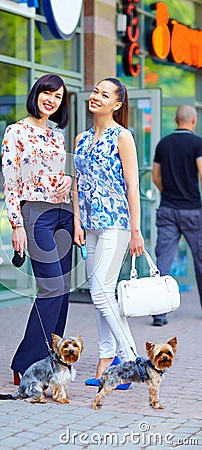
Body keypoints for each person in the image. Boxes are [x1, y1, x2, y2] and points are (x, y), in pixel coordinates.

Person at [1, 74, 73, 385]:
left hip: (63, 214)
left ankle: (51, 360)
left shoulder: (57, 136)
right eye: (48, 93)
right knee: (51, 288)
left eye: (58, 97)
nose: (51, 100)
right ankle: (25, 362)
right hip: (35, 215)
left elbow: (57, 177)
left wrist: (68, 181)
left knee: (64, 290)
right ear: (37, 93)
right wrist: (17, 225)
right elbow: (10, 180)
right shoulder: (16, 131)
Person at [73, 77, 145, 387]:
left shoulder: (122, 136)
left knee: (101, 291)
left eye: (104, 95)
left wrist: (137, 230)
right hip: (89, 225)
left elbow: (133, 184)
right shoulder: (80, 139)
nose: (95, 97)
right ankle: (106, 359)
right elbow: (77, 184)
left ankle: (130, 361)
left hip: (116, 222)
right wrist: (76, 221)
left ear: (116, 104)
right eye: (94, 92)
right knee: (99, 294)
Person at [152, 105, 202, 326]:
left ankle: (159, 314)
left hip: (167, 210)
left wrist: (170, 194)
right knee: (200, 261)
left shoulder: (163, 143)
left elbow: (155, 177)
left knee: (163, 261)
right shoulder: (198, 143)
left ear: (175, 119)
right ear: (194, 120)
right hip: (193, 210)